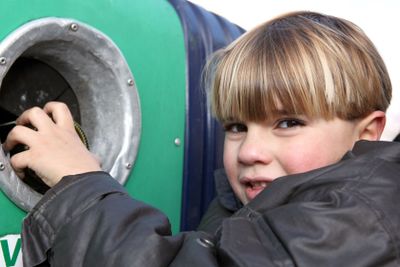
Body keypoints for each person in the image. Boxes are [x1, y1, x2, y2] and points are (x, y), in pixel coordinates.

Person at [4, 11, 400, 266]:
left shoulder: (360, 224)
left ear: (366, 133)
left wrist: (79, 184)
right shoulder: (246, 207)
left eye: (288, 123)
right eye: (236, 127)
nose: (250, 151)